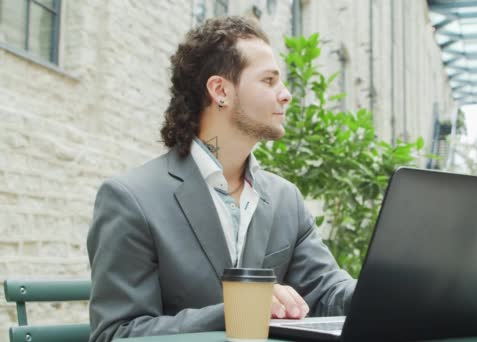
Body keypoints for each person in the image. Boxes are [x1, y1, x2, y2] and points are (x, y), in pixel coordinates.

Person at [87, 16, 356, 342]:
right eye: (269, 81)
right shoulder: (131, 200)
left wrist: (388, 290)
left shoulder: (286, 199)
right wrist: (237, 311)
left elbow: (327, 289)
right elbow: (116, 333)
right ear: (220, 91)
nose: (285, 95)